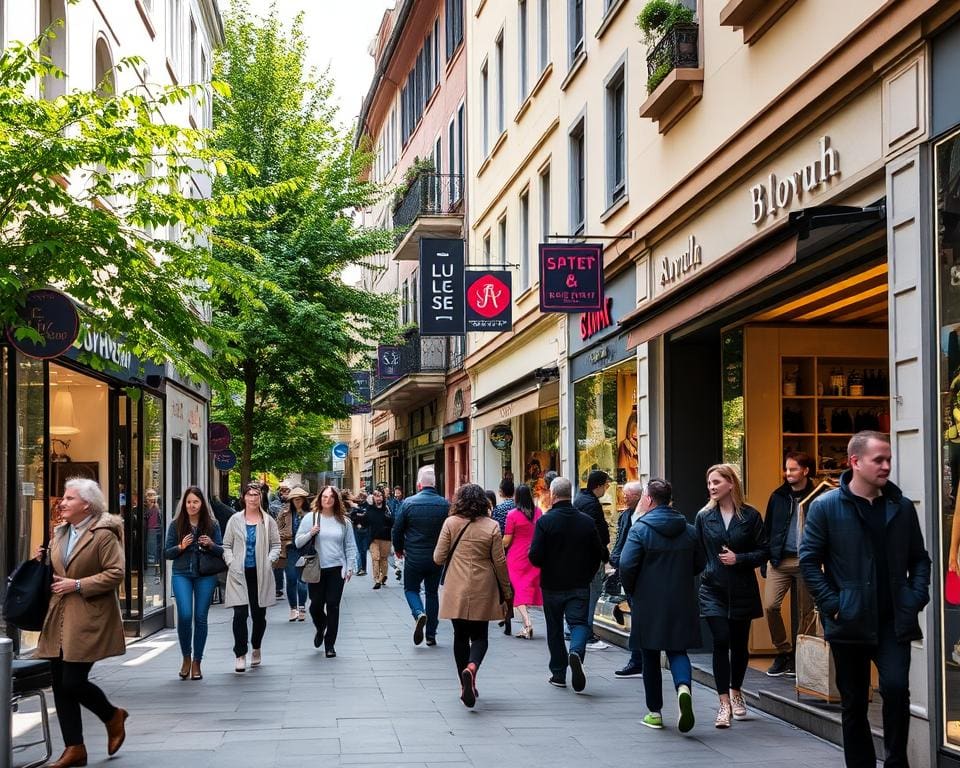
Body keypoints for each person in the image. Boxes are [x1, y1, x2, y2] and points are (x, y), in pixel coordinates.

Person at [800, 431, 931, 768]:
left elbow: (920, 558)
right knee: (854, 702)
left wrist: (915, 596)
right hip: (849, 621)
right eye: (879, 460)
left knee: (897, 690)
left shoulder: (900, 507)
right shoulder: (825, 507)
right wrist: (834, 605)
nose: (887, 466)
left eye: (889, 459)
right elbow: (809, 562)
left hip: (893, 621)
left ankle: (896, 762)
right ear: (854, 462)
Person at [36, 478, 128, 768]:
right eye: (64, 498)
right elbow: (58, 570)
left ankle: (112, 715)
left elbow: (116, 572)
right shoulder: (60, 532)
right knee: (60, 684)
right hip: (58, 617)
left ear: (86, 504)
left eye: (69, 498)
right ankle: (74, 748)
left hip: (89, 617)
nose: (62, 502)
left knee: (73, 681)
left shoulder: (103, 534)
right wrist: (44, 561)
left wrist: (77, 584)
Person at [619, 479, 703, 732]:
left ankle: (654, 712)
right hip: (681, 599)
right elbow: (700, 563)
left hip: (648, 600)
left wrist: (633, 591)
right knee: (678, 650)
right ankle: (683, 687)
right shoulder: (689, 530)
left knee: (650, 656)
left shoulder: (640, 529)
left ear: (649, 500)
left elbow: (626, 565)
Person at [695, 463, 768, 728]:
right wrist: (706, 571)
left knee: (738, 644)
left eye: (716, 482)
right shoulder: (704, 517)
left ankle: (737, 691)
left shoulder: (750, 516)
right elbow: (699, 551)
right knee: (721, 640)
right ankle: (723, 702)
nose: (712, 487)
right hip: (712, 588)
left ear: (731, 483)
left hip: (742, 588)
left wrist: (740, 558)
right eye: (709, 483)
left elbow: (764, 551)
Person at [434, 483, 513, 708]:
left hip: (456, 586)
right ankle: (472, 668)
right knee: (480, 636)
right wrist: (507, 591)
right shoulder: (492, 526)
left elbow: (438, 558)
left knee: (460, 636)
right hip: (484, 586)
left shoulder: (450, 523)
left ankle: (463, 682)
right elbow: (500, 562)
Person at [528, 476, 606, 692]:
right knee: (579, 623)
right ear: (570, 494)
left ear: (552, 495)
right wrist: (588, 573)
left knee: (554, 629)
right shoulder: (586, 521)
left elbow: (534, 556)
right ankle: (576, 651)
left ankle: (559, 674)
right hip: (579, 583)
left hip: (552, 584)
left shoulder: (545, 522)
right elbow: (599, 553)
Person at [763, 451, 818, 677]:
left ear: (805, 470)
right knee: (770, 606)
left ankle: (800, 656)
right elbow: (768, 529)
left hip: (807, 561)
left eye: (793, 469)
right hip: (780, 559)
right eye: (786, 469)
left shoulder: (819, 495)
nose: (788, 473)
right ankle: (783, 650)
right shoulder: (778, 496)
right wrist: (764, 559)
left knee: (806, 612)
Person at [164, 486, 223, 681]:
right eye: (188, 502)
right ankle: (186, 658)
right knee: (185, 614)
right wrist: (181, 546)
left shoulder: (212, 524)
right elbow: (166, 553)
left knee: (200, 617)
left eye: (195, 502)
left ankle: (197, 661)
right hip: (182, 573)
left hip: (205, 574)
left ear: (202, 504)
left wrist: (211, 545)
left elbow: (222, 550)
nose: (192, 505)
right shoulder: (176, 525)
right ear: (184, 504)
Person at [222, 482, 281, 673]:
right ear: (244, 497)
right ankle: (240, 653)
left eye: (256, 495)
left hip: (260, 574)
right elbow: (226, 546)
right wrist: (231, 562)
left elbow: (276, 545)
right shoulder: (234, 520)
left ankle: (256, 646)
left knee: (258, 615)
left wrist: (269, 560)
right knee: (239, 614)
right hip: (239, 574)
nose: (253, 498)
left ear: (261, 497)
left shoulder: (268, 521)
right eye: (249, 495)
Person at [295, 485, 358, 657]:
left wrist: (350, 566)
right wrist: (311, 533)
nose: (327, 500)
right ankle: (321, 626)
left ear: (336, 500)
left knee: (333, 605)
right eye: (324, 497)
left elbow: (350, 545)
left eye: (331, 497)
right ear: (319, 498)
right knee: (315, 606)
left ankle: (330, 644)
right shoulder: (311, 518)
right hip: (316, 568)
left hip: (336, 568)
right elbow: (298, 542)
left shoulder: (344, 522)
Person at [393, 465, 449, 646]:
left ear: (419, 485)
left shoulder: (408, 503)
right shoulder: (444, 504)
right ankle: (431, 634)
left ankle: (418, 612)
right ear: (435, 484)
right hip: (436, 557)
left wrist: (399, 549)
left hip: (414, 556)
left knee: (411, 589)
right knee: (432, 593)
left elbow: (397, 530)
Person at [608, 480, 645, 678]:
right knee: (635, 617)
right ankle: (638, 659)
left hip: (640, 575)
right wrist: (615, 559)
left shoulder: (645, 518)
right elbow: (620, 539)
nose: (624, 497)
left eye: (628, 495)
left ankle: (639, 659)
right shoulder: (625, 516)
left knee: (639, 619)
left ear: (639, 496)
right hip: (627, 571)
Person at [573, 470, 611, 650]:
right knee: (593, 593)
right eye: (606, 485)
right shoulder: (591, 504)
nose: (607, 488)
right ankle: (586, 633)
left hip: (581, 557)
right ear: (599, 486)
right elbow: (597, 533)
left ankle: (576, 629)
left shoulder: (581, 499)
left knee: (583, 595)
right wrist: (604, 554)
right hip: (592, 557)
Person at [503, 483, 542, 639]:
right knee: (527, 587)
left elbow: (506, 540)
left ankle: (527, 623)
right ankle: (528, 622)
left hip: (516, 557)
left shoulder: (512, 514)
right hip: (533, 555)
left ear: (517, 497)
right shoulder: (538, 512)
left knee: (517, 589)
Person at [277, 486, 310, 621]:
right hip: (290, 548)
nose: (297, 501)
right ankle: (293, 609)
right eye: (295, 499)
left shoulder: (310, 514)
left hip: (305, 549)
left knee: (302, 580)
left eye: (300, 499)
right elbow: (278, 529)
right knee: (291, 579)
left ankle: (302, 606)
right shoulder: (284, 513)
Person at [364, 488, 393, 589]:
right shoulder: (370, 509)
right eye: (376, 496)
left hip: (386, 538)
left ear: (383, 497)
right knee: (375, 558)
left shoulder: (387, 508)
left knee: (383, 559)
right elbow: (365, 521)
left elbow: (393, 522)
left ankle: (383, 576)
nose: (378, 498)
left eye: (380, 495)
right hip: (373, 538)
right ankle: (377, 580)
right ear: (373, 497)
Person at [270, 484, 290, 598]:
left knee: (285, 566)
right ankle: (278, 587)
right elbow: (279, 523)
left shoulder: (291, 507)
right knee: (279, 565)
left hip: (289, 540)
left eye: (287, 492)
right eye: (283, 492)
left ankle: (280, 587)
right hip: (281, 539)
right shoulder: (277, 505)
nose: (285, 494)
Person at [351, 492, 371, 576]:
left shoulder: (367, 506)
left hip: (365, 530)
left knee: (362, 550)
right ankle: (361, 568)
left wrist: (359, 515)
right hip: (358, 530)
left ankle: (362, 568)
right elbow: (353, 516)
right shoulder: (356, 506)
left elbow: (367, 517)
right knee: (360, 550)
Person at [143, 487, 162, 568]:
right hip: (149, 529)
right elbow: (145, 516)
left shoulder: (158, 507)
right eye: (149, 495)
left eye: (153, 495)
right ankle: (150, 561)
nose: (151, 497)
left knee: (157, 546)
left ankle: (156, 561)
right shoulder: (145, 507)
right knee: (150, 547)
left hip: (157, 529)